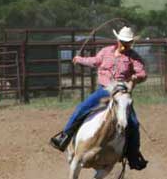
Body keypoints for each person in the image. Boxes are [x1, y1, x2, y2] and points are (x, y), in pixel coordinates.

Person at [49, 26, 148, 170]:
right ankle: (65, 136)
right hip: (104, 90)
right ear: (118, 40)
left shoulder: (134, 57)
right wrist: (80, 59)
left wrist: (136, 76)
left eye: (128, 42)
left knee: (133, 123)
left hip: (121, 94)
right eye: (123, 41)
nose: (125, 44)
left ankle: (133, 155)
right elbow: (95, 61)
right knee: (82, 108)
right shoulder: (106, 51)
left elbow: (142, 73)